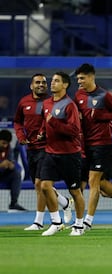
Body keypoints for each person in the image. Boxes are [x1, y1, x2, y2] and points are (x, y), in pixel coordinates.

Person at [74, 63, 112, 229]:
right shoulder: (78, 95)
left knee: (93, 181)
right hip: (84, 145)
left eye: (82, 78)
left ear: (91, 77)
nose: (79, 81)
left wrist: (102, 115)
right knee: (98, 185)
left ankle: (87, 221)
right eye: (78, 78)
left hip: (102, 143)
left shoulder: (104, 95)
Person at [14, 73, 75, 230]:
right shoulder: (24, 102)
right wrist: (20, 135)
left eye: (44, 82)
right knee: (39, 186)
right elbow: (17, 121)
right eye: (38, 82)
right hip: (31, 148)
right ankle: (64, 202)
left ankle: (39, 221)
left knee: (40, 184)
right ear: (31, 85)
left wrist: (44, 132)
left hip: (47, 147)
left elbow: (52, 121)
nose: (41, 84)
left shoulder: (51, 102)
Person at [39, 71, 85, 236]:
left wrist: (54, 123)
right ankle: (56, 222)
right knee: (44, 186)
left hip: (69, 154)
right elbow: (46, 124)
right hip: (51, 152)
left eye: (57, 81)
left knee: (75, 191)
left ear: (65, 85)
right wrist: (42, 131)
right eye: (52, 80)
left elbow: (74, 131)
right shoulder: (46, 104)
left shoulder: (69, 105)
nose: (52, 83)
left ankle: (79, 225)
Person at [0, 129, 26, 212]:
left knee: (16, 174)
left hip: (3, 174)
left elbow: (12, 161)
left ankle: (13, 204)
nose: (5, 145)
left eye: (7, 143)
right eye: (3, 143)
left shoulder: (8, 148)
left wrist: (11, 164)